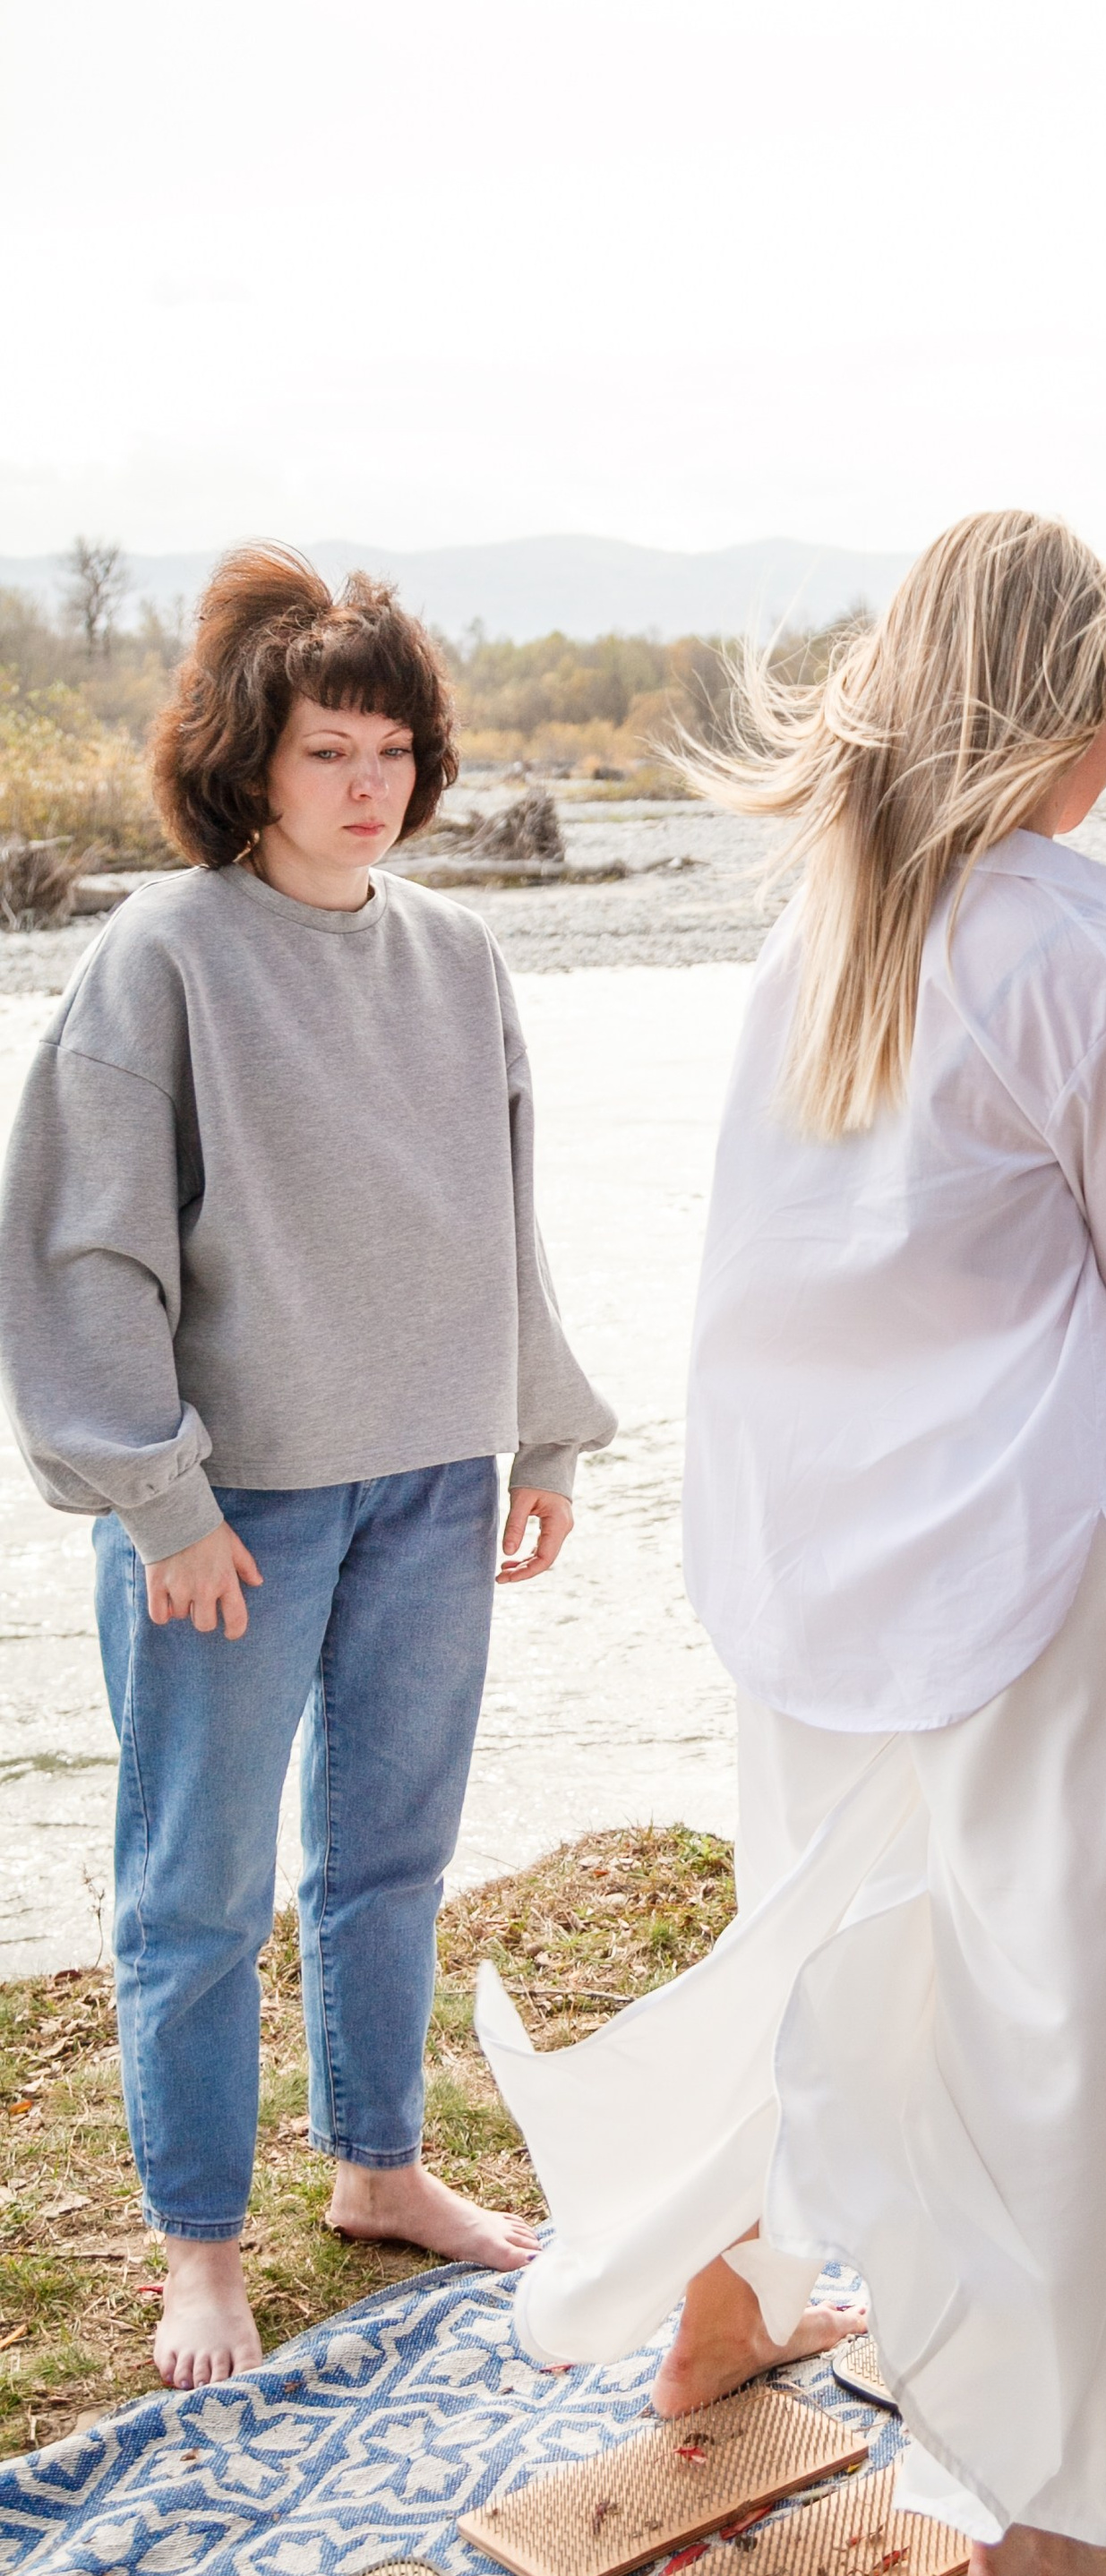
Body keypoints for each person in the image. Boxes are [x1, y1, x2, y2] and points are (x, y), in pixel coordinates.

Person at [475, 510, 1106, 2576]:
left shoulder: (824, 921)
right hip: (1011, 1554)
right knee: (1051, 1997)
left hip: (799, 1539)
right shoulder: (1084, 954)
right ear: (1083, 711)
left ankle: (723, 2313)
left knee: (816, 1934)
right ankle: (1035, 2525)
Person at [0, 549, 614, 2390]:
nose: (370, 785)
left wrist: (546, 1426)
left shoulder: (457, 951)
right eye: (330, 750)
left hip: (433, 1475)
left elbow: (494, 1213)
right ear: (249, 762)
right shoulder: (162, 954)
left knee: (389, 1855)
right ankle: (200, 2244)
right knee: (196, 1889)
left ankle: (378, 2168)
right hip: (237, 1509)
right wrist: (155, 1499)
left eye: (394, 751)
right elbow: (81, 1251)